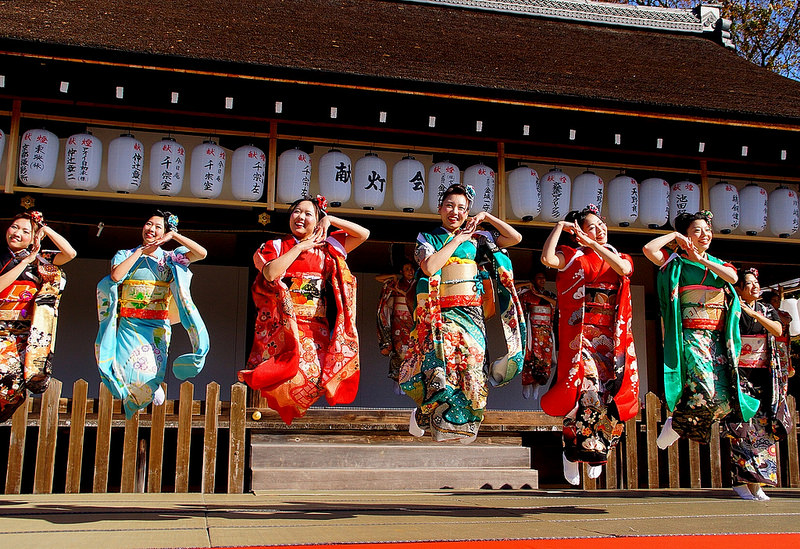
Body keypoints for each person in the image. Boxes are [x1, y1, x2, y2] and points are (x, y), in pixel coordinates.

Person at [399, 183, 526, 443]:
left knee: (472, 368)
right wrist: (458, 239)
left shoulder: (478, 239)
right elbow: (430, 266)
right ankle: (424, 413)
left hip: (471, 313)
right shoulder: (428, 237)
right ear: (439, 208)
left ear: (468, 212)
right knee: (442, 369)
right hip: (440, 313)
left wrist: (487, 218)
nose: (454, 212)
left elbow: (515, 239)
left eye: (462, 208)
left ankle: (459, 423)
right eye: (449, 206)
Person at [238, 195, 369, 424]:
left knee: (315, 374)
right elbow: (269, 273)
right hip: (283, 324)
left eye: (308, 214)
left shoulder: (328, 247)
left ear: (317, 220)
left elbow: (364, 234)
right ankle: (279, 418)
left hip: (315, 325)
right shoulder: (276, 246)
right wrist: (300, 248)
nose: (301, 217)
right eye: (296, 212)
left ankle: (294, 417)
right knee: (279, 373)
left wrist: (331, 220)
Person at [540, 204, 639, 485]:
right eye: (592, 226)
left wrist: (596, 244)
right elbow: (548, 258)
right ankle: (572, 449)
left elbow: (623, 270)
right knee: (586, 389)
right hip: (582, 333)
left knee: (610, 394)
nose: (600, 230)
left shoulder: (619, 256)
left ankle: (599, 447)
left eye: (601, 226)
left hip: (611, 336)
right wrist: (560, 227)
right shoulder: (573, 256)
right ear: (580, 233)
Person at [642, 211, 758, 450]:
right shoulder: (676, 261)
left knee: (723, 397)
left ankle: (676, 423)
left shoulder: (717, 263)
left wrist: (702, 259)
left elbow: (733, 277)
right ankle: (677, 423)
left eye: (707, 230)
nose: (704, 235)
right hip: (691, 334)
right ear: (686, 236)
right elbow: (648, 249)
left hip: (716, 336)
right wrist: (674, 235)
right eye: (697, 231)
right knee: (702, 384)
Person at [96, 211, 209, 419]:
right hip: (129, 323)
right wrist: (140, 252)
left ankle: (152, 387)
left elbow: (201, 253)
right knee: (125, 365)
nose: (152, 229)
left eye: (158, 227)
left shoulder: (169, 258)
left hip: (156, 324)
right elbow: (116, 276)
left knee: (152, 365)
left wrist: (174, 237)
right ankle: (132, 399)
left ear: (164, 232)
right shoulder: (125, 254)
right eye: (149, 224)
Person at [0, 211, 76, 421]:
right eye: (14, 227)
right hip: (1, 329)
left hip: (26, 333)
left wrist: (46, 229)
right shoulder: (3, 257)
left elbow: (69, 253)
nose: (17, 233)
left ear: (34, 237)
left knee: (14, 382)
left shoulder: (42, 260)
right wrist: (25, 263)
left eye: (25, 231)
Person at [726, 268, 792, 500]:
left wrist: (755, 316)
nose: (755, 287)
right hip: (740, 374)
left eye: (756, 283)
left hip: (763, 374)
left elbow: (777, 329)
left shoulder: (765, 309)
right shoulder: (732, 307)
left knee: (764, 428)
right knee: (742, 428)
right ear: (740, 288)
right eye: (749, 283)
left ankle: (759, 483)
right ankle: (741, 482)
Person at [376, 260, 416, 395]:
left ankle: (410, 381)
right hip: (398, 321)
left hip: (411, 321)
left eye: (411, 269)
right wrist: (393, 277)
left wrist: (399, 291)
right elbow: (377, 278)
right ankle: (398, 380)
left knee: (412, 350)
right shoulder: (397, 283)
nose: (410, 271)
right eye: (406, 269)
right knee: (398, 350)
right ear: (402, 272)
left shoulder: (416, 284)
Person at [516, 271, 557, 400]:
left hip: (545, 331)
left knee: (544, 358)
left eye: (544, 278)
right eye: (539, 278)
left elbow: (555, 304)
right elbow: (512, 287)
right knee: (530, 357)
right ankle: (527, 383)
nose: (542, 280)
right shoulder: (526, 293)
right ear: (533, 279)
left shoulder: (549, 295)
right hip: (532, 329)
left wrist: (540, 295)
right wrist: (527, 284)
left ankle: (538, 384)